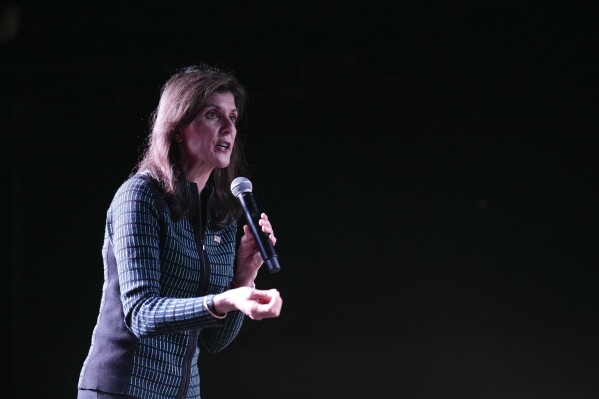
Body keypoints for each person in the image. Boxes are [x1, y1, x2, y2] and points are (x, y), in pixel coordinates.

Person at [77, 64, 283, 399]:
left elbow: (214, 340)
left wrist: (244, 276)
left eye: (233, 116)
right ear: (177, 128)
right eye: (213, 115)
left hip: (184, 392)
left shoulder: (222, 214)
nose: (229, 127)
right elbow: (141, 314)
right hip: (123, 388)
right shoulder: (140, 196)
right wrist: (226, 298)